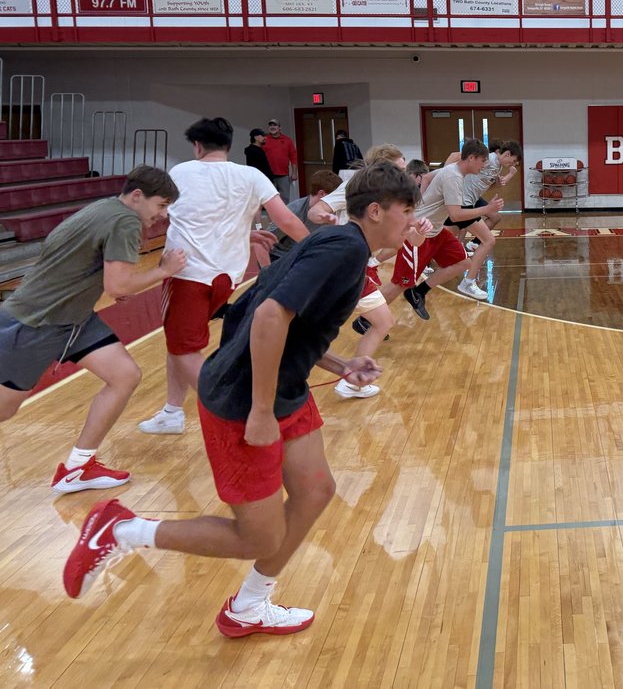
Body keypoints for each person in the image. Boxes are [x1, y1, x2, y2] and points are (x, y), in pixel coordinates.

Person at [63, 163, 421, 637]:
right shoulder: (342, 249)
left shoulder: (340, 244)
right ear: (376, 211)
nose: (414, 221)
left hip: (281, 391)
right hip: (243, 401)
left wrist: (340, 365)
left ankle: (249, 606)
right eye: (407, 210)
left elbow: (274, 315)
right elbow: (269, 315)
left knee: (315, 492)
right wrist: (259, 409)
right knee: (257, 536)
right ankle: (121, 531)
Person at [0, 166, 186, 493]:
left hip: (73, 318)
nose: (163, 215)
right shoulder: (125, 220)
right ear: (138, 196)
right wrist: (163, 270)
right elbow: (118, 285)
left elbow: (106, 277)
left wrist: (120, 282)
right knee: (5, 408)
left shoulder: (105, 207)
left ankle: (77, 468)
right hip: (36, 323)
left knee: (124, 375)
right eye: (161, 205)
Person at [139, 117, 309, 437]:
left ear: (197, 146)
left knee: (184, 349)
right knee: (178, 344)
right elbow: (285, 219)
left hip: (187, 274)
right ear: (229, 145)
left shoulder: (181, 172)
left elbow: (174, 215)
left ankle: (231, 413)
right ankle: (172, 411)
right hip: (227, 276)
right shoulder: (251, 175)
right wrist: (322, 248)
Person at [308, 145, 409, 399]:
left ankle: (351, 379)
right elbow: (316, 210)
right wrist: (325, 217)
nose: (403, 175)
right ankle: (350, 380)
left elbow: (410, 239)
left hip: (360, 263)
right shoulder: (358, 185)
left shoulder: (391, 197)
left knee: (380, 321)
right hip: (347, 265)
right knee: (378, 321)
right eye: (399, 168)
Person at [383, 138, 496, 315]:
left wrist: (421, 201)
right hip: (419, 232)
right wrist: (487, 209)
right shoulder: (453, 176)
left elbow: (427, 178)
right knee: (400, 283)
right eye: (483, 161)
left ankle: (418, 292)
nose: (483, 166)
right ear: (472, 158)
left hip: (435, 231)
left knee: (463, 262)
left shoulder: (453, 171)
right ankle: (367, 320)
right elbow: (456, 215)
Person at [443, 140, 521, 292]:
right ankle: (468, 282)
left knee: (439, 237)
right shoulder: (488, 159)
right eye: (514, 160)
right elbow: (454, 155)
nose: (514, 164)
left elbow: (485, 184)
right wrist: (444, 179)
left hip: (471, 200)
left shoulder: (497, 167)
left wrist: (497, 182)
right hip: (463, 201)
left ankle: (417, 260)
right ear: (507, 154)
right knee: (488, 240)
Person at [267, 169, 342, 264]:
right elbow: (264, 241)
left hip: (308, 254)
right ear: (322, 194)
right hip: (283, 256)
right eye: (334, 197)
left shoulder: (334, 210)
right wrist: (267, 271)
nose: (336, 201)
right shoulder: (294, 211)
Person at [262, 119, 298, 203]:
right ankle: (271, 216)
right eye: (271, 125)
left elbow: (293, 157)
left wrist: (294, 173)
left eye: (275, 125)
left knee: (284, 198)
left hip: (283, 174)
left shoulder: (287, 140)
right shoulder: (265, 139)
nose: (272, 127)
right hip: (268, 175)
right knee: (269, 198)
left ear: (279, 128)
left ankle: (283, 215)